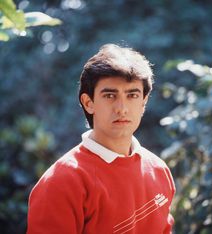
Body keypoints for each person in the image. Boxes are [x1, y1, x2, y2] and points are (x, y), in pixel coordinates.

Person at [27, 44, 175, 234]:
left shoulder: (159, 170)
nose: (121, 108)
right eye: (110, 95)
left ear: (143, 103)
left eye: (132, 95)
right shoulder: (61, 183)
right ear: (89, 103)